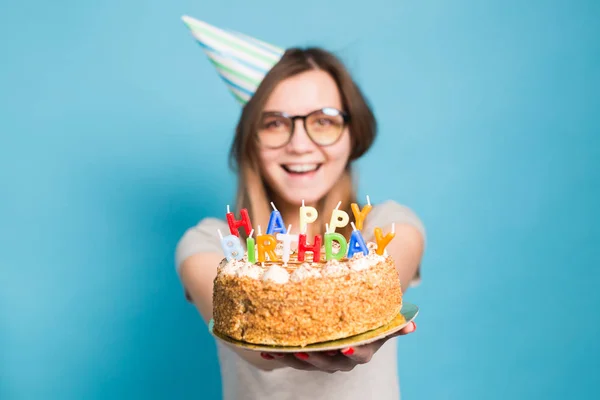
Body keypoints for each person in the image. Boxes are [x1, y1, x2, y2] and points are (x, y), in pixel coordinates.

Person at [176, 16, 426, 400]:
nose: (300, 144)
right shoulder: (210, 244)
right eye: (275, 123)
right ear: (250, 140)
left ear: (352, 133)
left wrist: (358, 330)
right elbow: (247, 342)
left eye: (323, 121)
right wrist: (298, 342)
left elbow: (383, 285)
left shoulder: (390, 224)